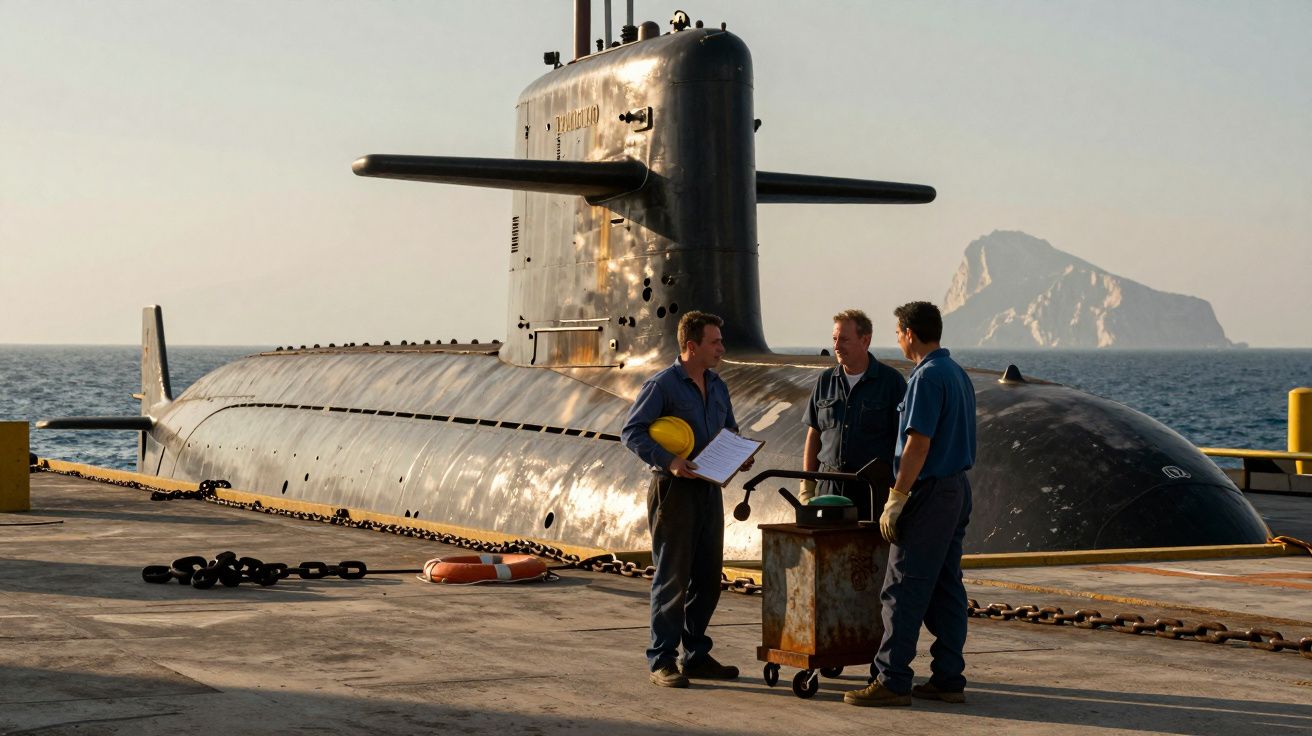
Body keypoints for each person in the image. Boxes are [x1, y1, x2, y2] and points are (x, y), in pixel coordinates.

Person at [845, 301, 977, 707]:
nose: (897, 340)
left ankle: (892, 679)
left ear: (908, 333)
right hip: (956, 489)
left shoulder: (925, 378)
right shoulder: (956, 374)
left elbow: (917, 443)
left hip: (929, 493)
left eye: (898, 333)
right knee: (945, 586)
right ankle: (948, 677)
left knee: (901, 588)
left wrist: (896, 497)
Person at [621, 311, 754, 688]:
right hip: (674, 490)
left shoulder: (718, 385)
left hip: (710, 488)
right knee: (672, 577)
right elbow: (632, 432)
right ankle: (661, 659)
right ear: (691, 346)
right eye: (715, 343)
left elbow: (729, 428)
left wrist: (739, 454)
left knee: (709, 578)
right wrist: (671, 461)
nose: (722, 349)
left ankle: (695, 653)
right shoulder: (662, 385)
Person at [801, 309, 906, 519]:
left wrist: (899, 494)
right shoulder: (826, 380)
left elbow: (903, 442)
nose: (836, 347)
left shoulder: (891, 383)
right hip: (829, 488)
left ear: (865, 340)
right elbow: (814, 435)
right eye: (834, 339)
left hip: (871, 491)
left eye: (844, 340)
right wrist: (807, 485)